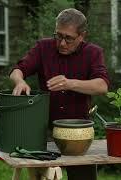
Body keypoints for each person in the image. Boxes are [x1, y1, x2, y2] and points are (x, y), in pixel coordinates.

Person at [9, 8, 109, 180]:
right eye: (58, 36)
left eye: (68, 38)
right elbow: (17, 70)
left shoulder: (93, 53)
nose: (62, 43)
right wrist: (20, 81)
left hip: (79, 132)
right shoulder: (43, 48)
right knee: (44, 175)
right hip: (44, 129)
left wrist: (70, 83)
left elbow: (102, 86)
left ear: (82, 36)